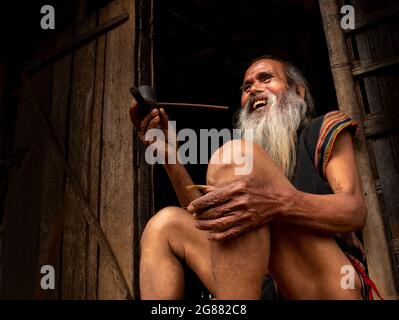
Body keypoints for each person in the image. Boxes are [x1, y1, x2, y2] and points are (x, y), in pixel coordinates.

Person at [129, 56, 381, 300]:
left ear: (298, 93)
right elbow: (211, 223)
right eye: (247, 86)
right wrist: (169, 155)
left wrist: (278, 203)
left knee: (236, 158)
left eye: (266, 78)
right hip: (264, 286)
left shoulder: (322, 128)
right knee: (163, 225)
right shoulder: (244, 158)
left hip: (330, 284)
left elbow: (354, 210)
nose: (254, 89)